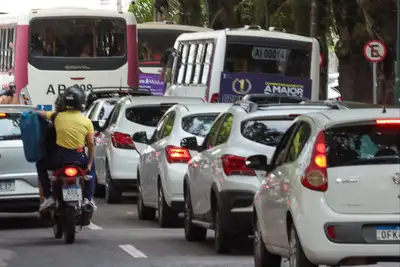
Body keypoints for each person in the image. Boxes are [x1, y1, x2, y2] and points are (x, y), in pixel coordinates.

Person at [35, 85, 96, 211]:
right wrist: (89, 163)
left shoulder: (57, 117)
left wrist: (32, 111)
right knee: (92, 169)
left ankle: (48, 196)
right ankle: (88, 198)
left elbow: (42, 114)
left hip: (59, 159)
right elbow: (91, 143)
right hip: (79, 158)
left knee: (40, 163)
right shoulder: (86, 121)